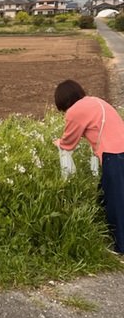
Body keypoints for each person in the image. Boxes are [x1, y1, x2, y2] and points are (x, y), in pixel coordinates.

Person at [54, 79, 124, 254]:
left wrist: (59, 143)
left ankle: (121, 247)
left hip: (114, 155)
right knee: (104, 194)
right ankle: (101, 231)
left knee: (116, 203)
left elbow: (69, 141)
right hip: (119, 151)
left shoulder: (75, 110)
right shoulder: (96, 101)